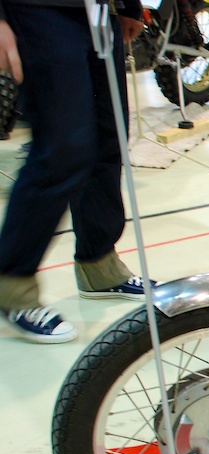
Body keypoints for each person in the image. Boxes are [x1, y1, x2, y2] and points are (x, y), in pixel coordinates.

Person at [0, 0, 149, 344]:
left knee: (108, 139)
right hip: (37, 10)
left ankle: (99, 265)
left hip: (99, 11)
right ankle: (12, 282)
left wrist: (128, 5)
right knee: (63, 148)